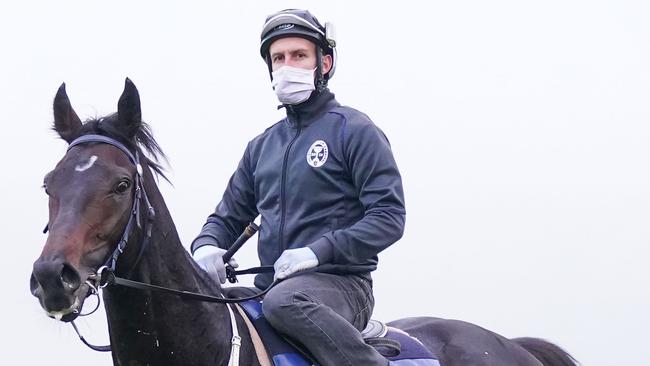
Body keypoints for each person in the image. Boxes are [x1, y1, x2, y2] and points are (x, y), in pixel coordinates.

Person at [191, 9, 405, 366]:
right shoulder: (261, 147)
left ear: (325, 62)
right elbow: (226, 217)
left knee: (285, 301)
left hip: (343, 285)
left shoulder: (354, 130)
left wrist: (317, 252)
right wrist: (206, 246)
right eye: (278, 58)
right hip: (271, 286)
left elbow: (389, 217)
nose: (287, 65)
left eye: (298, 55)